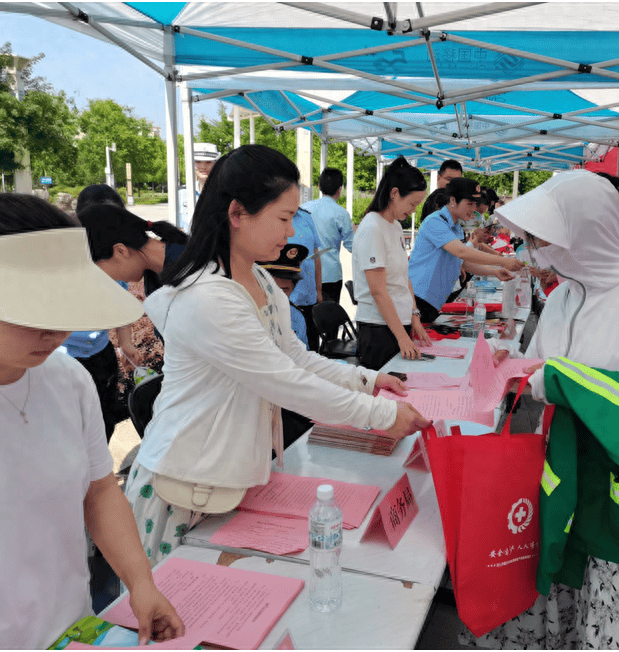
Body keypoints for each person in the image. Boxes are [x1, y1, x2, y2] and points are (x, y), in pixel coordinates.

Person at [123, 145, 429, 566]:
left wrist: (368, 381)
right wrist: (380, 415)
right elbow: (283, 381)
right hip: (182, 484)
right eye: (284, 218)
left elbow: (295, 359)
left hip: (227, 477)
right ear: (237, 214)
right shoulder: (210, 297)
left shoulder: (261, 281)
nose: (291, 233)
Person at [469, 170, 619, 650]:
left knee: (603, 608)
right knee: (556, 593)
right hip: (561, 472)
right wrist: (520, 371)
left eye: (545, 239)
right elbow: (547, 373)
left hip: (616, 483)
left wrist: (569, 383)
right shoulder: (563, 294)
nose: (535, 250)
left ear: (586, 232)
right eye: (533, 239)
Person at [0, 193, 184, 649]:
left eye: (62, 306)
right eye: (31, 309)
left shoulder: (66, 379)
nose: (54, 330)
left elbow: (98, 490)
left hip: (70, 629)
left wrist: (140, 583)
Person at [59, 186, 143, 441]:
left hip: (100, 353)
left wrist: (126, 342)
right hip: (65, 356)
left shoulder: (114, 254)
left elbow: (119, 300)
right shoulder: (63, 259)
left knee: (103, 422)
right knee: (69, 426)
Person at [352, 156, 433, 370]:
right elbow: (378, 290)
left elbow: (402, 277)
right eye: (412, 203)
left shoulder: (395, 226)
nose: (414, 210)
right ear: (394, 194)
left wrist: (414, 316)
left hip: (398, 324)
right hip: (379, 328)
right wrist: (401, 336)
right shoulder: (372, 228)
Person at [408, 178, 523, 324]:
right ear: (453, 200)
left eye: (475, 203)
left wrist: (494, 271)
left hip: (432, 301)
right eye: (469, 203)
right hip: (418, 299)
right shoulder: (435, 221)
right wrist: (503, 261)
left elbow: (463, 263)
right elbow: (462, 252)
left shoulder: (456, 227)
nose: (473, 208)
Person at [258, 245, 316, 449]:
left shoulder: (296, 317)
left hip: (290, 400)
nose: (281, 296)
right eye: (275, 289)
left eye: (287, 290)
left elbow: (304, 360)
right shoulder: (249, 316)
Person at [76, 202, 189, 301]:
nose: (112, 280)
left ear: (120, 251)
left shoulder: (192, 268)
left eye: (101, 272)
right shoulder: (154, 272)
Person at [301, 167, 354, 304]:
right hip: (330, 276)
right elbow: (352, 246)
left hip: (307, 273)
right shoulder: (341, 214)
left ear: (319, 186)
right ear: (340, 189)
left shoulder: (305, 208)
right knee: (329, 320)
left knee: (309, 319)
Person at [287, 204, 324, 351]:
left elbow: (316, 256)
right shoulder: (275, 218)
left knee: (313, 346)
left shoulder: (306, 217)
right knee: (296, 349)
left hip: (310, 296)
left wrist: (318, 290)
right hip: (291, 297)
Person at [177, 142, 219, 232]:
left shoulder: (225, 193)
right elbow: (177, 226)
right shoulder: (182, 194)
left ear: (216, 164)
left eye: (208, 162)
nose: (203, 167)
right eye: (198, 162)